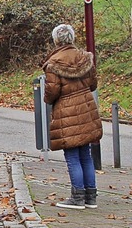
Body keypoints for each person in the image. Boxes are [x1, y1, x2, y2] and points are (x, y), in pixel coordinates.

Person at [42, 24, 102, 210]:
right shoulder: (85, 58)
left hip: (66, 111)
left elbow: (52, 93)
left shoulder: (54, 63)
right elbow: (93, 85)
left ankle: (77, 198)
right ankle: (90, 197)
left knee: (72, 156)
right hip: (86, 107)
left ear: (56, 40)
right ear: (72, 38)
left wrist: (47, 98)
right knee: (86, 155)